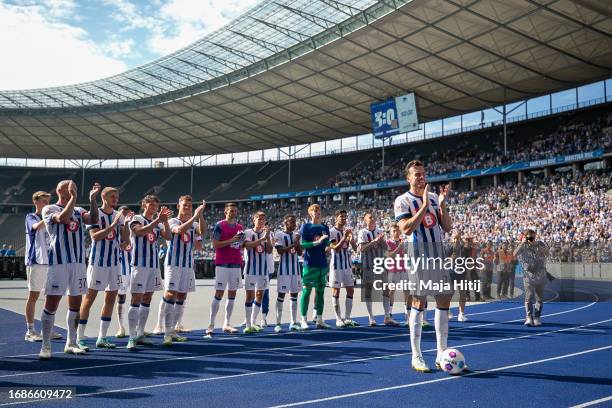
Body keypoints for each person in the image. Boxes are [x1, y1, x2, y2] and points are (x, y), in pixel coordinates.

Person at [394, 160, 454, 372]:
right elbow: (407, 229)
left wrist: (442, 204)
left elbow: (446, 227)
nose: (421, 177)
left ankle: (441, 352)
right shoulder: (402, 201)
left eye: (423, 174)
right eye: (416, 174)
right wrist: (424, 207)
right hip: (418, 256)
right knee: (419, 301)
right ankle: (416, 355)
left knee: (444, 299)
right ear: (408, 178)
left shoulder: (434, 199)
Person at [39, 180, 100, 360]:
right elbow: (63, 219)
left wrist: (93, 199)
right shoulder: (50, 209)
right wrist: (73, 197)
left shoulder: (79, 210)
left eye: (74, 187)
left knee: (75, 304)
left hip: (78, 263)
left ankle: (71, 342)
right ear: (60, 190)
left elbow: (94, 219)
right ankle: (45, 345)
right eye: (70, 187)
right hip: (59, 263)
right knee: (52, 303)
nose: (74, 189)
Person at [77, 187, 129, 351]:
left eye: (117, 196)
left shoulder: (117, 216)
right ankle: (80, 336)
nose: (115, 199)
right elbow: (95, 236)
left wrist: (125, 224)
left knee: (110, 300)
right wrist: (112, 225)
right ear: (104, 198)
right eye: (112, 196)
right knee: (89, 299)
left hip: (114, 263)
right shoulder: (95, 214)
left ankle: (102, 337)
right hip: (97, 262)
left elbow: (125, 242)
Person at [157, 196, 205, 346]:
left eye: (190, 206)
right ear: (178, 206)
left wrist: (201, 215)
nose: (188, 208)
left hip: (187, 264)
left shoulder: (195, 223)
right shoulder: (172, 221)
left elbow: (202, 234)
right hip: (173, 263)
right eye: (185, 205)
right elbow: (178, 231)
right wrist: (195, 217)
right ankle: (167, 332)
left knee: (182, 296)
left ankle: (174, 330)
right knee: (170, 294)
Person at [126, 195, 172, 350]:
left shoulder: (158, 223)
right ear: (144, 204)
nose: (153, 208)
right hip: (139, 265)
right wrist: (157, 221)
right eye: (151, 205)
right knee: (136, 298)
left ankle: (140, 333)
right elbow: (139, 232)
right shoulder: (136, 218)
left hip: (153, 267)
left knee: (147, 298)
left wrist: (164, 221)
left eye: (156, 206)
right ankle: (131, 336)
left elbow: (169, 237)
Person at [206, 203, 243, 337]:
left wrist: (239, 242)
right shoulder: (219, 225)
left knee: (232, 294)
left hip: (236, 263)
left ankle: (227, 323)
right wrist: (231, 240)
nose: (233, 212)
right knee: (219, 294)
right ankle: (211, 324)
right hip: (222, 263)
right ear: (225, 212)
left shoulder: (240, 227)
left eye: (235, 211)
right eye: (231, 211)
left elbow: (239, 245)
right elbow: (215, 245)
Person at [24, 191, 56, 342]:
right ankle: (30, 330)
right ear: (35, 201)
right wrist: (48, 216)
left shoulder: (50, 219)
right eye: (43, 201)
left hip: (50, 262)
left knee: (50, 297)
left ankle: (47, 329)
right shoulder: (31, 217)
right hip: (36, 261)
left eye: (48, 202)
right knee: (33, 296)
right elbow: (36, 227)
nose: (46, 204)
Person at [299, 204, 331, 330]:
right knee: (306, 292)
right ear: (310, 213)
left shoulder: (325, 227)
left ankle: (319, 319)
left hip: (322, 264)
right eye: (315, 210)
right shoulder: (306, 227)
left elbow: (327, 244)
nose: (318, 212)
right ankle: (303, 319)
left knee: (320, 293)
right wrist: (317, 242)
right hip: (310, 264)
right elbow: (302, 245)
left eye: (319, 210)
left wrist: (329, 247)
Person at [358, 211, 394, 326]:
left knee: (386, 289)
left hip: (380, 265)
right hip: (368, 266)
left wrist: (381, 241)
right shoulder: (362, 232)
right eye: (370, 217)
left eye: (373, 217)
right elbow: (361, 249)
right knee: (368, 291)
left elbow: (387, 248)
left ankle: (387, 317)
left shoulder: (380, 231)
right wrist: (373, 241)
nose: (372, 219)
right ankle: (371, 317)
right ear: (365, 220)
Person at [242, 212, 272, 334]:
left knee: (259, 295)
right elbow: (247, 245)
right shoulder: (248, 232)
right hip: (250, 270)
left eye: (263, 219)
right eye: (259, 219)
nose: (261, 221)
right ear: (254, 220)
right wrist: (262, 239)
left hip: (263, 270)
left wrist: (268, 237)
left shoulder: (267, 234)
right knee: (249, 296)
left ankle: (253, 322)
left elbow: (269, 250)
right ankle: (248, 323)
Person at [329, 210, 359, 328]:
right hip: (336, 265)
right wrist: (344, 237)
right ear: (336, 218)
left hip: (347, 265)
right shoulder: (331, 232)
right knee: (336, 291)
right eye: (341, 216)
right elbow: (335, 248)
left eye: (345, 217)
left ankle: (347, 318)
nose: (344, 218)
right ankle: (338, 318)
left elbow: (356, 249)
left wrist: (351, 240)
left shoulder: (348, 231)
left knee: (350, 290)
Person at [273, 214, 303, 332]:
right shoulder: (279, 234)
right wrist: (294, 244)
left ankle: (293, 322)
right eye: (291, 221)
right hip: (284, 269)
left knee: (294, 295)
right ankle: (278, 323)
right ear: (285, 222)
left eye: (295, 221)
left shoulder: (296, 235)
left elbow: (300, 253)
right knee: (281, 295)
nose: (294, 223)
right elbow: (280, 251)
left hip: (295, 269)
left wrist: (298, 243)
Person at [514, 229, 549, 326]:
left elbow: (547, 253)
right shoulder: (522, 245)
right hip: (528, 276)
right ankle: (529, 317)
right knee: (529, 296)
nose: (531, 238)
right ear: (525, 236)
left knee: (539, 298)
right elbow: (514, 254)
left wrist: (536, 244)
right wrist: (522, 243)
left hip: (540, 274)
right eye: (529, 236)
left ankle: (537, 317)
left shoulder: (540, 243)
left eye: (532, 236)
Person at [386, 223, 410, 326]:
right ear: (391, 233)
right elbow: (389, 255)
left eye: (398, 231)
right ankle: (390, 312)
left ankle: (407, 312)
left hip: (403, 268)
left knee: (407, 291)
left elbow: (406, 253)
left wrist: (404, 250)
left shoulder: (402, 242)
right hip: (393, 269)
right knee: (392, 291)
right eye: (394, 231)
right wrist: (398, 247)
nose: (396, 233)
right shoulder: (387, 242)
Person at [116, 206, 134, 338]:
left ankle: (137, 328)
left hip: (135, 268)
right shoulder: (119, 230)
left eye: (128, 214)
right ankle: (121, 326)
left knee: (137, 297)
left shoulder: (137, 228)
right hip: (122, 270)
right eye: (124, 215)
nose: (127, 217)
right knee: (121, 298)